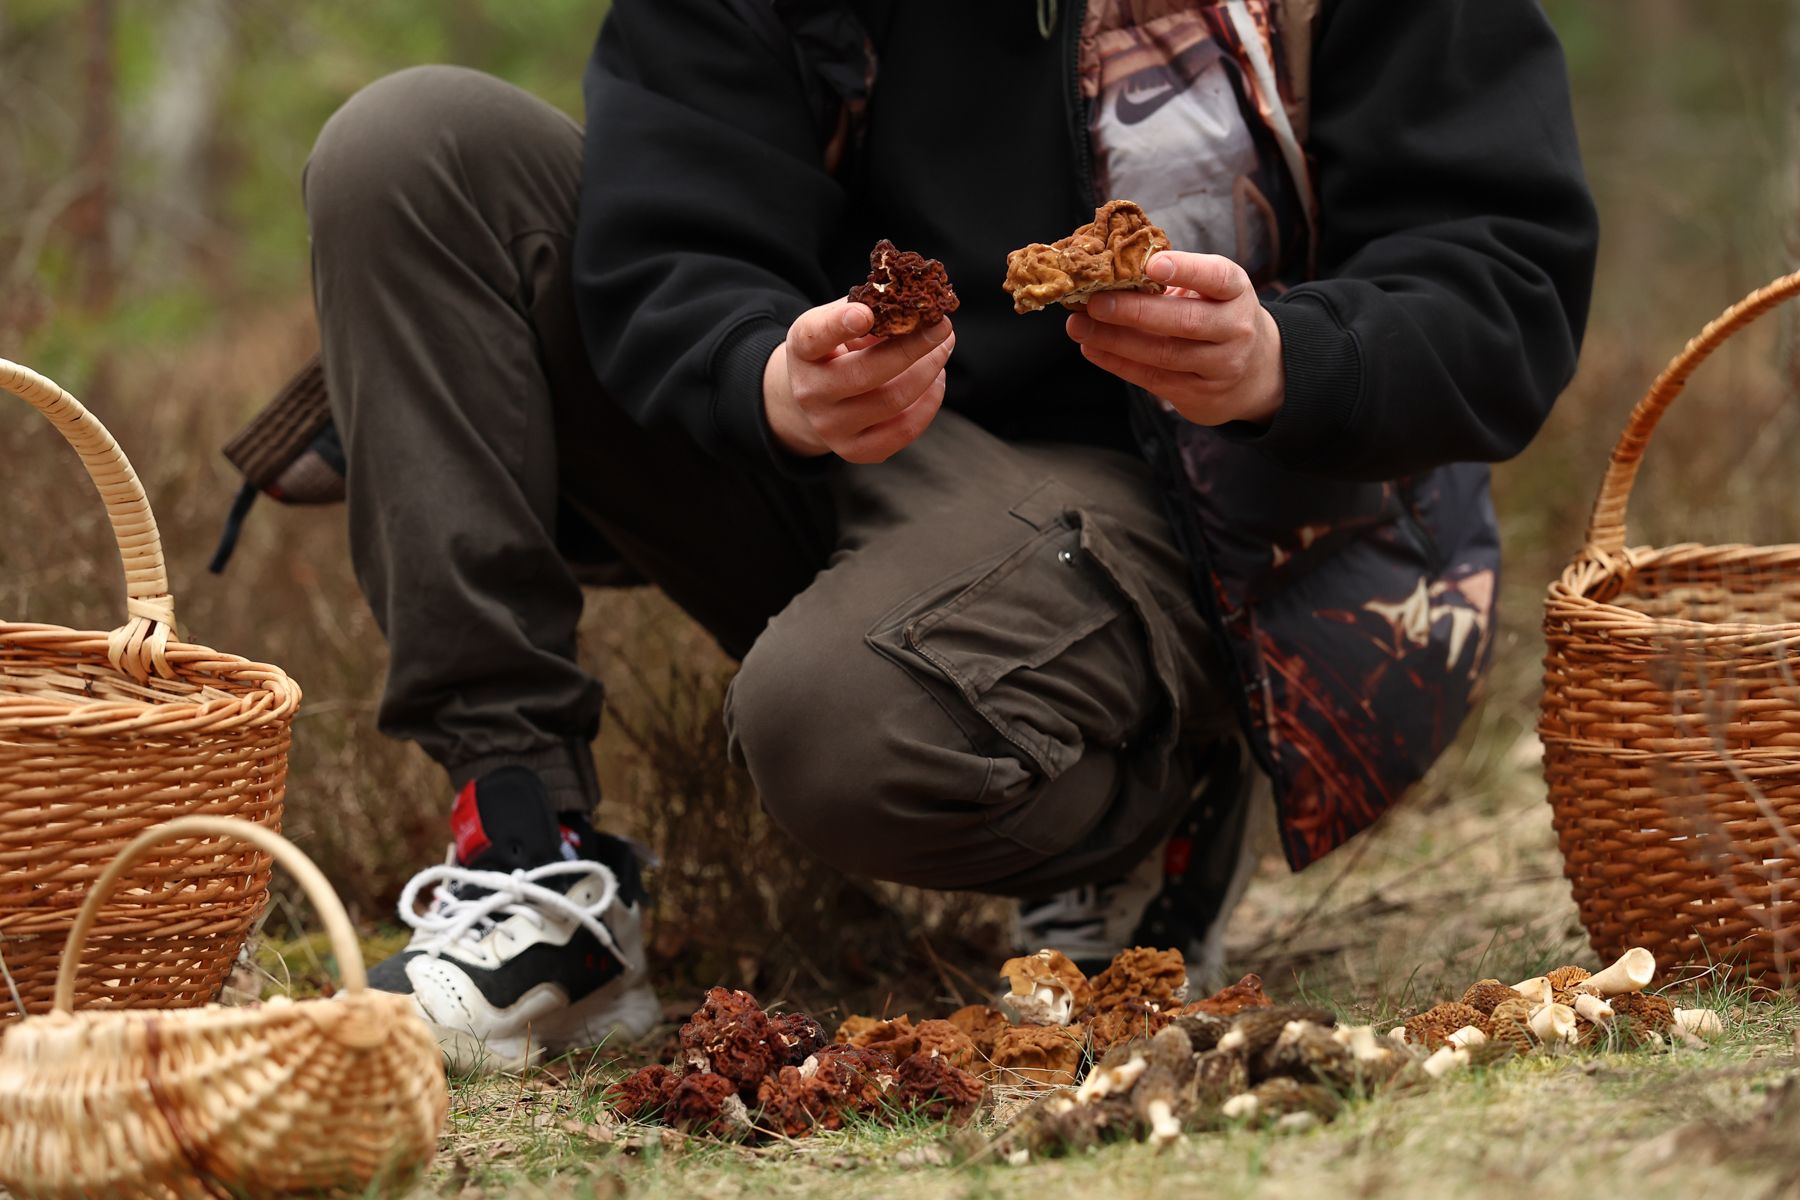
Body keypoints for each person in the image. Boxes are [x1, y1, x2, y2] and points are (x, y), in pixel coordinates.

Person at [300, 0, 1597, 1071]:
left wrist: (1278, 357)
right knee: (413, 149)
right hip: (858, 447)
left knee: (835, 729)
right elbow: (669, 243)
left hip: (1214, 510)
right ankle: (534, 866)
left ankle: (1156, 796)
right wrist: (769, 375)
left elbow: (1503, 286)